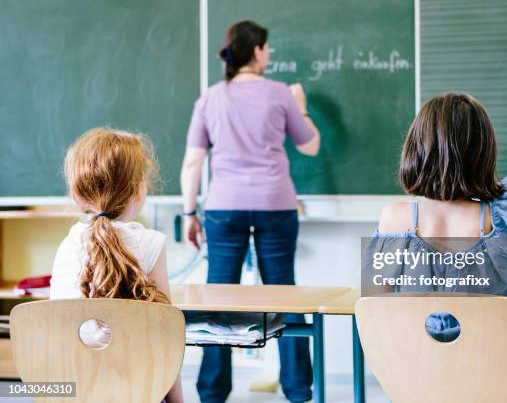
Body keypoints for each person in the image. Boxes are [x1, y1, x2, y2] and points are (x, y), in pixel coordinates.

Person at [369, 15, 507, 403]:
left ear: (416, 149)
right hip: (498, 387)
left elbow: (379, 304)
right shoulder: (505, 212)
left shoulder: (395, 219)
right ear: (484, 152)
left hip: (417, 385)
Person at [181, 20, 320, 403]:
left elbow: (193, 163)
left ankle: (211, 392)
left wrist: (189, 213)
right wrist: (303, 110)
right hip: (275, 204)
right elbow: (311, 146)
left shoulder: (210, 98)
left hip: (223, 208)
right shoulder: (280, 94)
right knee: (283, 294)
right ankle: (297, 389)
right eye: (267, 48)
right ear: (257, 51)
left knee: (218, 299)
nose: (269, 54)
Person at [50, 128, 183, 403]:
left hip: (68, 389)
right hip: (137, 390)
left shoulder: (68, 244)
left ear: (78, 195)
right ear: (138, 191)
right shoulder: (150, 244)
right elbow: (167, 335)